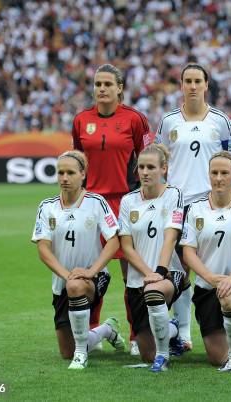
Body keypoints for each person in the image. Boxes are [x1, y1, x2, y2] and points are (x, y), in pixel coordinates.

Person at [71, 63, 152, 356]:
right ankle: (91, 330)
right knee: (91, 273)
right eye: (97, 84)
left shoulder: (134, 119)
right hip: (91, 204)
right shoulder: (81, 121)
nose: (101, 89)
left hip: (126, 203)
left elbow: (148, 160)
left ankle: (135, 335)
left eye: (107, 84)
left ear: (119, 88)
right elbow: (77, 164)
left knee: (132, 275)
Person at [157, 63, 231, 348]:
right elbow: (159, 156)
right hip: (177, 205)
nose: (192, 86)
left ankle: (225, 330)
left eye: (197, 81)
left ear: (206, 85)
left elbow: (230, 160)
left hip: (209, 205)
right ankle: (185, 334)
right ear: (181, 85)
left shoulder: (221, 121)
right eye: (187, 81)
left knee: (212, 267)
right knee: (179, 270)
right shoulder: (168, 122)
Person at [31, 150, 126, 369]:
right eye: (60, 172)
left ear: (83, 174)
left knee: (75, 286)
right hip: (62, 282)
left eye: (70, 172)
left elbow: (114, 240)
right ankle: (106, 330)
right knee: (66, 351)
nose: (64, 178)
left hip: (94, 278)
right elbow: (43, 249)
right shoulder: (47, 207)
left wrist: (92, 271)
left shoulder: (96, 202)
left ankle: (81, 355)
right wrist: (67, 275)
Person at [180, 151, 231, 371]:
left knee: (229, 297)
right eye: (214, 172)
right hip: (207, 285)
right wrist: (210, 278)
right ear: (208, 174)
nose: (219, 178)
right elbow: (188, 253)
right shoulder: (195, 208)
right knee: (217, 357)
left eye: (224, 173)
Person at [118, 144, 188, 372]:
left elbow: (170, 237)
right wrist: (147, 273)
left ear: (164, 169)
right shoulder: (128, 201)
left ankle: (164, 357)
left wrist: (159, 271)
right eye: (141, 167)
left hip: (168, 273)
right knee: (146, 353)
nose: (145, 172)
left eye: (151, 167)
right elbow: (126, 247)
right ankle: (172, 330)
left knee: (154, 291)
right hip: (139, 278)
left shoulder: (174, 194)